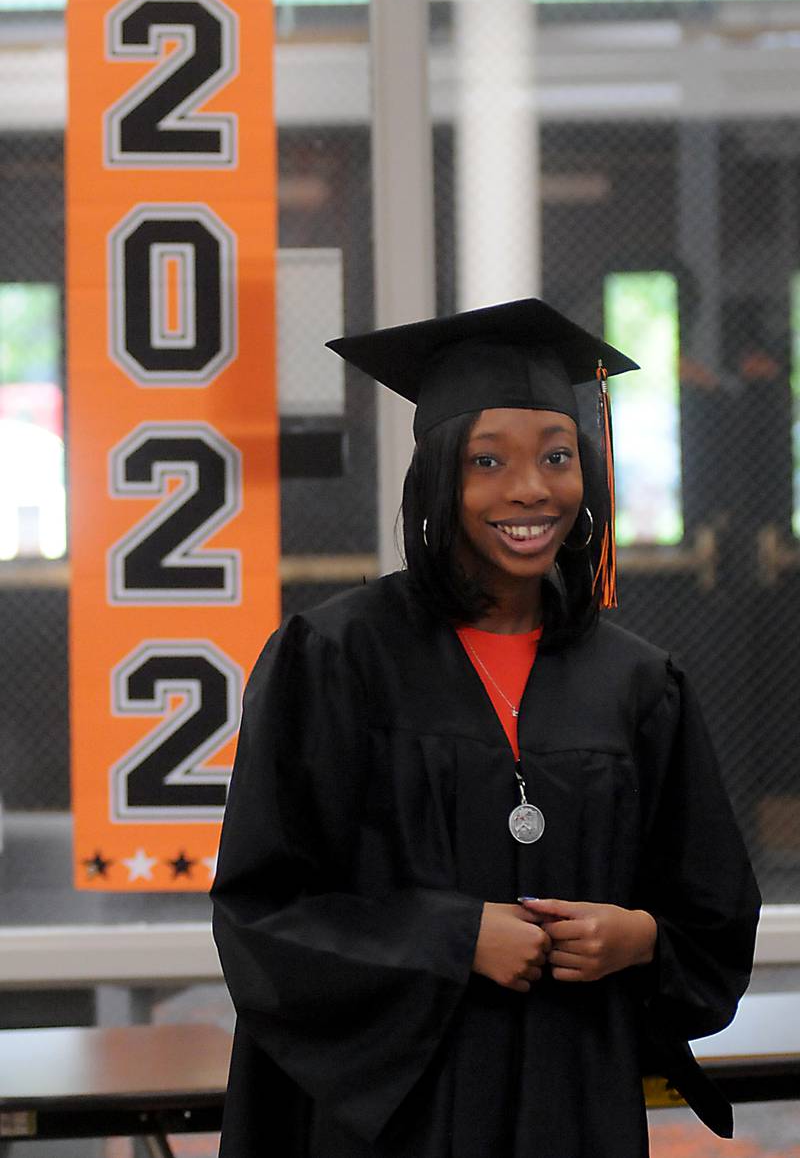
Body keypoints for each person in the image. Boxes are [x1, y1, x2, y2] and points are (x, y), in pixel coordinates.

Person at [211, 297, 760, 1158]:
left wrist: (640, 939)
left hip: (572, 1103)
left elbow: (713, 914)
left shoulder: (638, 684)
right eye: (487, 461)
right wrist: (453, 937)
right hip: (397, 1120)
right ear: (437, 477)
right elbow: (262, 911)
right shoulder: (338, 658)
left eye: (557, 456)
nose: (530, 489)